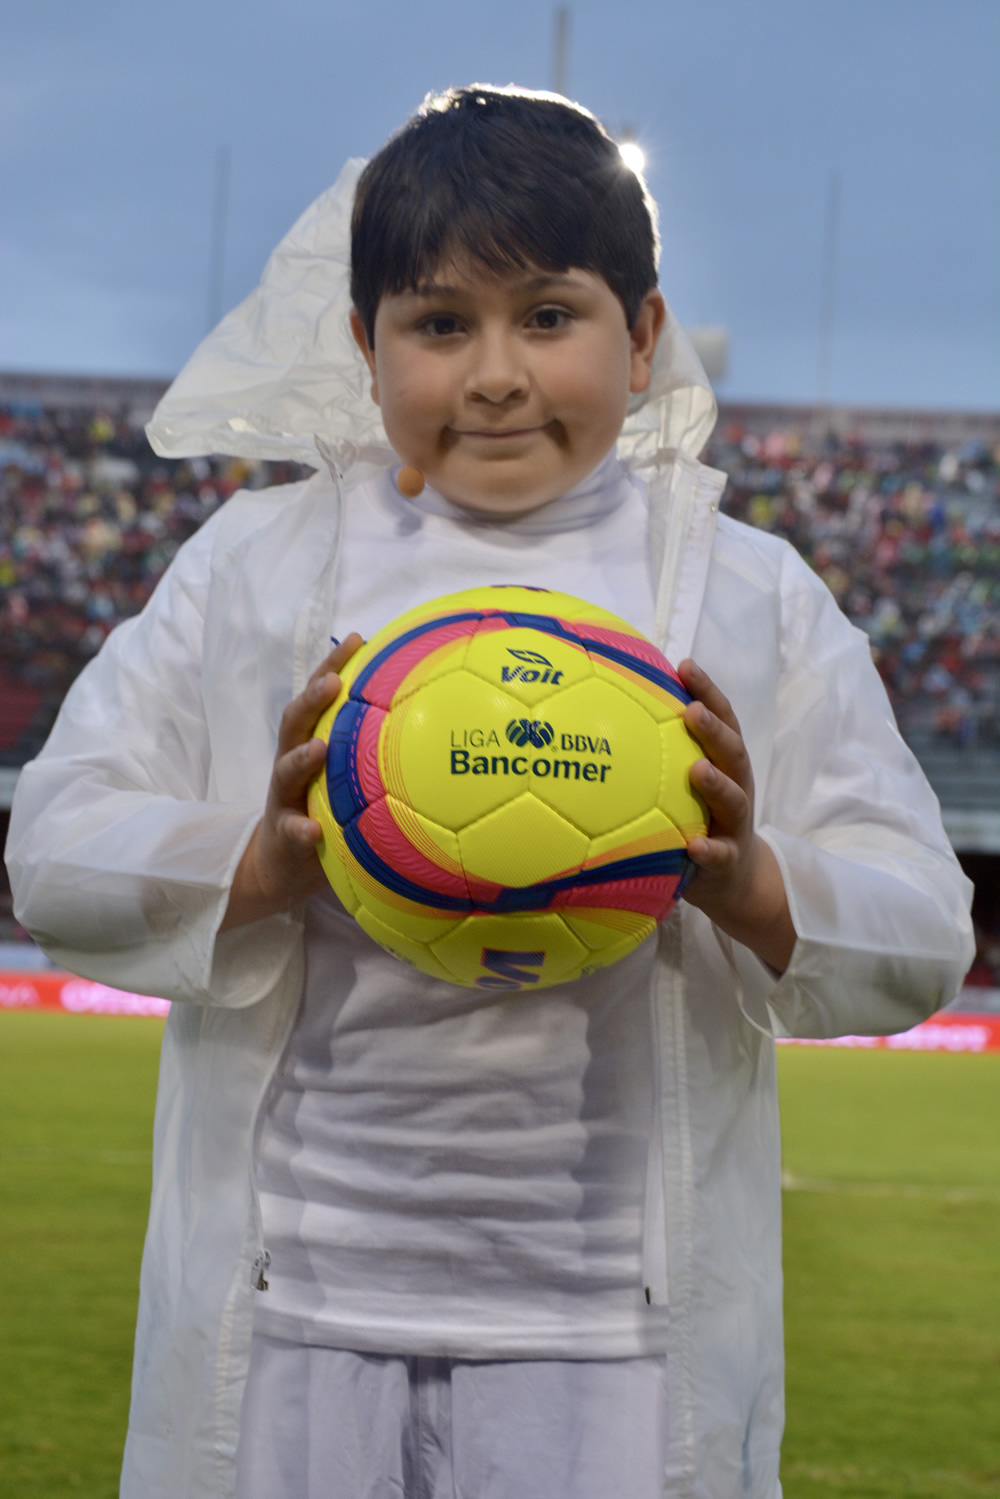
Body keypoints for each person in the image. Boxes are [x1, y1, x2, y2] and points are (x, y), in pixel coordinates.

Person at [6, 87, 973, 1499]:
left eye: (550, 316)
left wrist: (753, 880)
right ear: (364, 347)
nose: (497, 374)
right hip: (290, 1316)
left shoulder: (745, 598)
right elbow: (54, 846)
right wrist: (255, 864)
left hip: (610, 1347)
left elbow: (925, 928)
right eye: (440, 323)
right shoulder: (261, 566)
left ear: (643, 340)